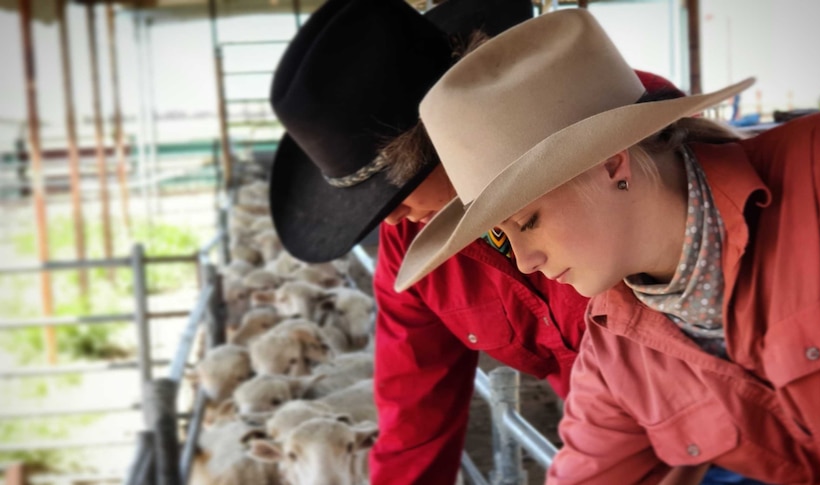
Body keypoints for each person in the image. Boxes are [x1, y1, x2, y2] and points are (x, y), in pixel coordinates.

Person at [396, 8, 820, 485]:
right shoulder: (615, 344)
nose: (524, 260)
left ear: (612, 164)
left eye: (528, 221)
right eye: (503, 235)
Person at [266, 1, 698, 484]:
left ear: (443, 133)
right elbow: (414, 410)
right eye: (367, 201)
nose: (387, 219)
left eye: (394, 188)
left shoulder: (607, 136)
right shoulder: (413, 246)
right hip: (608, 436)